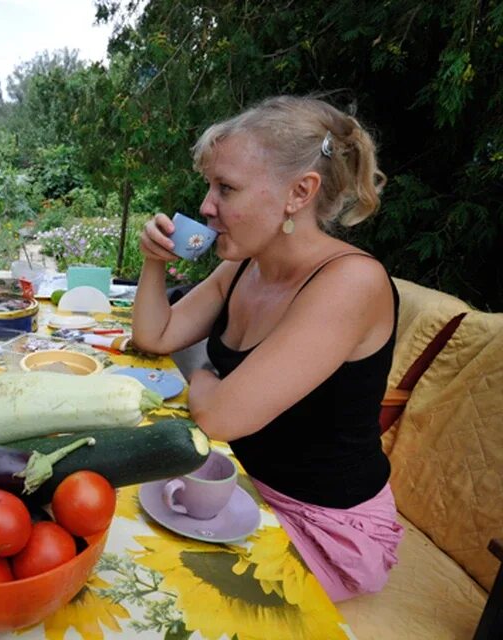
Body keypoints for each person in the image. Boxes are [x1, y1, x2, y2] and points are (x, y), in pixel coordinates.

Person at [132, 95, 404, 601]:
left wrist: (204, 371)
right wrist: (154, 261)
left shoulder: (349, 283)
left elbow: (219, 417)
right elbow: (156, 336)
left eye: (226, 188)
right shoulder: (244, 265)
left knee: (152, 589)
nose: (206, 206)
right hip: (238, 488)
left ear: (299, 193)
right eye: (210, 186)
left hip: (322, 528)